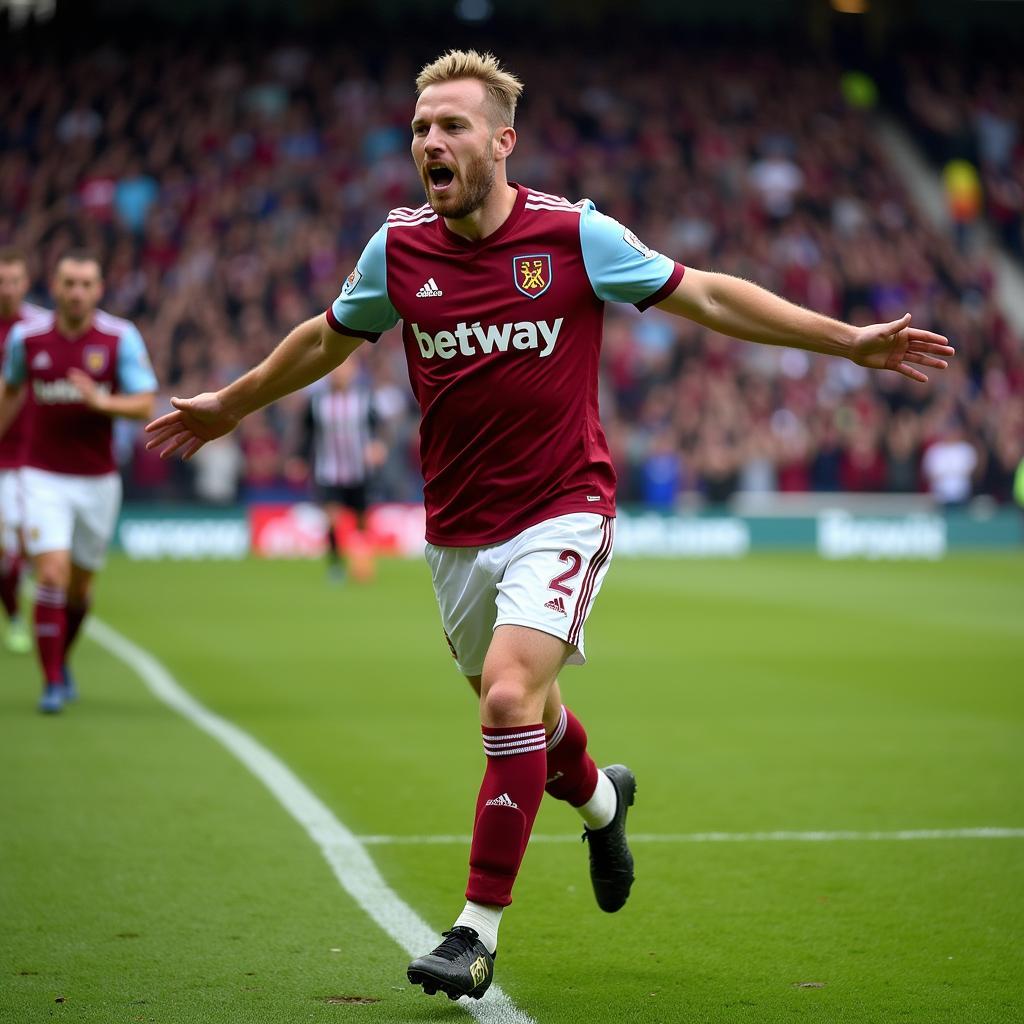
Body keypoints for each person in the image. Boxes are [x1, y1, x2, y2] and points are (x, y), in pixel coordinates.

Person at [145, 50, 954, 1000]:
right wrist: (231, 405)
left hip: (563, 508)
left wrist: (845, 339)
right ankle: (604, 803)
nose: (430, 143)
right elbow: (328, 336)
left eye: (450, 126)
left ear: (502, 141)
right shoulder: (398, 250)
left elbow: (706, 293)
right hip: (456, 531)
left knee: (504, 699)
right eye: (419, 129)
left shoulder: (574, 235)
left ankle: (474, 931)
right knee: (530, 711)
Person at [0, 251, 157, 713]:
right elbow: (11, 390)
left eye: (86, 284)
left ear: (99, 289)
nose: (76, 292)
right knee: (51, 571)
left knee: (80, 589)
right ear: (54, 286)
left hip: (98, 481)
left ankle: (60, 660)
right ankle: (51, 682)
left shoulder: (119, 337)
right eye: (69, 283)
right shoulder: (27, 339)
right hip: (41, 474)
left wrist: (101, 403)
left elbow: (144, 403)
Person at [296, 358, 385, 582]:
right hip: (329, 471)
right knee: (332, 518)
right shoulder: (317, 402)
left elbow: (378, 429)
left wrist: (377, 445)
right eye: (335, 370)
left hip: (359, 471)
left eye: (344, 369)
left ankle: (362, 563)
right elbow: (307, 433)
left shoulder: (364, 400)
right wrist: (300, 458)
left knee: (362, 520)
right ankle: (335, 565)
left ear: (354, 372)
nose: (339, 374)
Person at [0, 249, 48, 655]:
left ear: (25, 283)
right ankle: (15, 616)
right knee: (7, 549)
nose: (7, 289)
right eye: (1, 281)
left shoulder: (37, 329)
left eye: (13, 280)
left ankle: (17, 615)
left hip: (31, 455)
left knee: (22, 547)